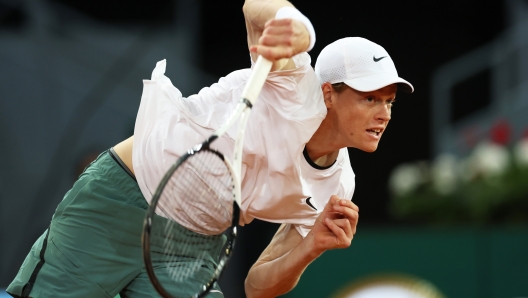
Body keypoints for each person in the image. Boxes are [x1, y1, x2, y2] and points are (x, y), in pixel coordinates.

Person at [7, 0, 413, 297]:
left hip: (194, 249)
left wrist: (310, 247)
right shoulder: (292, 83)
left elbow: (257, 286)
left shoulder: (338, 186)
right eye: (369, 98)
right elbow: (257, 7)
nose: (384, 114)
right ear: (328, 93)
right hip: (125, 200)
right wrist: (297, 27)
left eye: (389, 102)